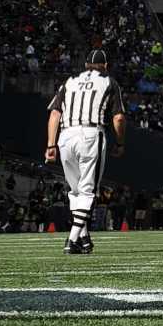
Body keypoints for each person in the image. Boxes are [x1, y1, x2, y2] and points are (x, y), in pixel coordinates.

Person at [46, 48, 126, 255]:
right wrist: (120, 142)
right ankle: (71, 239)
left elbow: (55, 113)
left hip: (65, 135)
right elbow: (118, 118)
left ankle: (84, 238)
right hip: (91, 134)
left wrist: (50, 145)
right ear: (105, 66)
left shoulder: (70, 80)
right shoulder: (109, 81)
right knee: (88, 190)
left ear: (85, 66)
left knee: (75, 191)